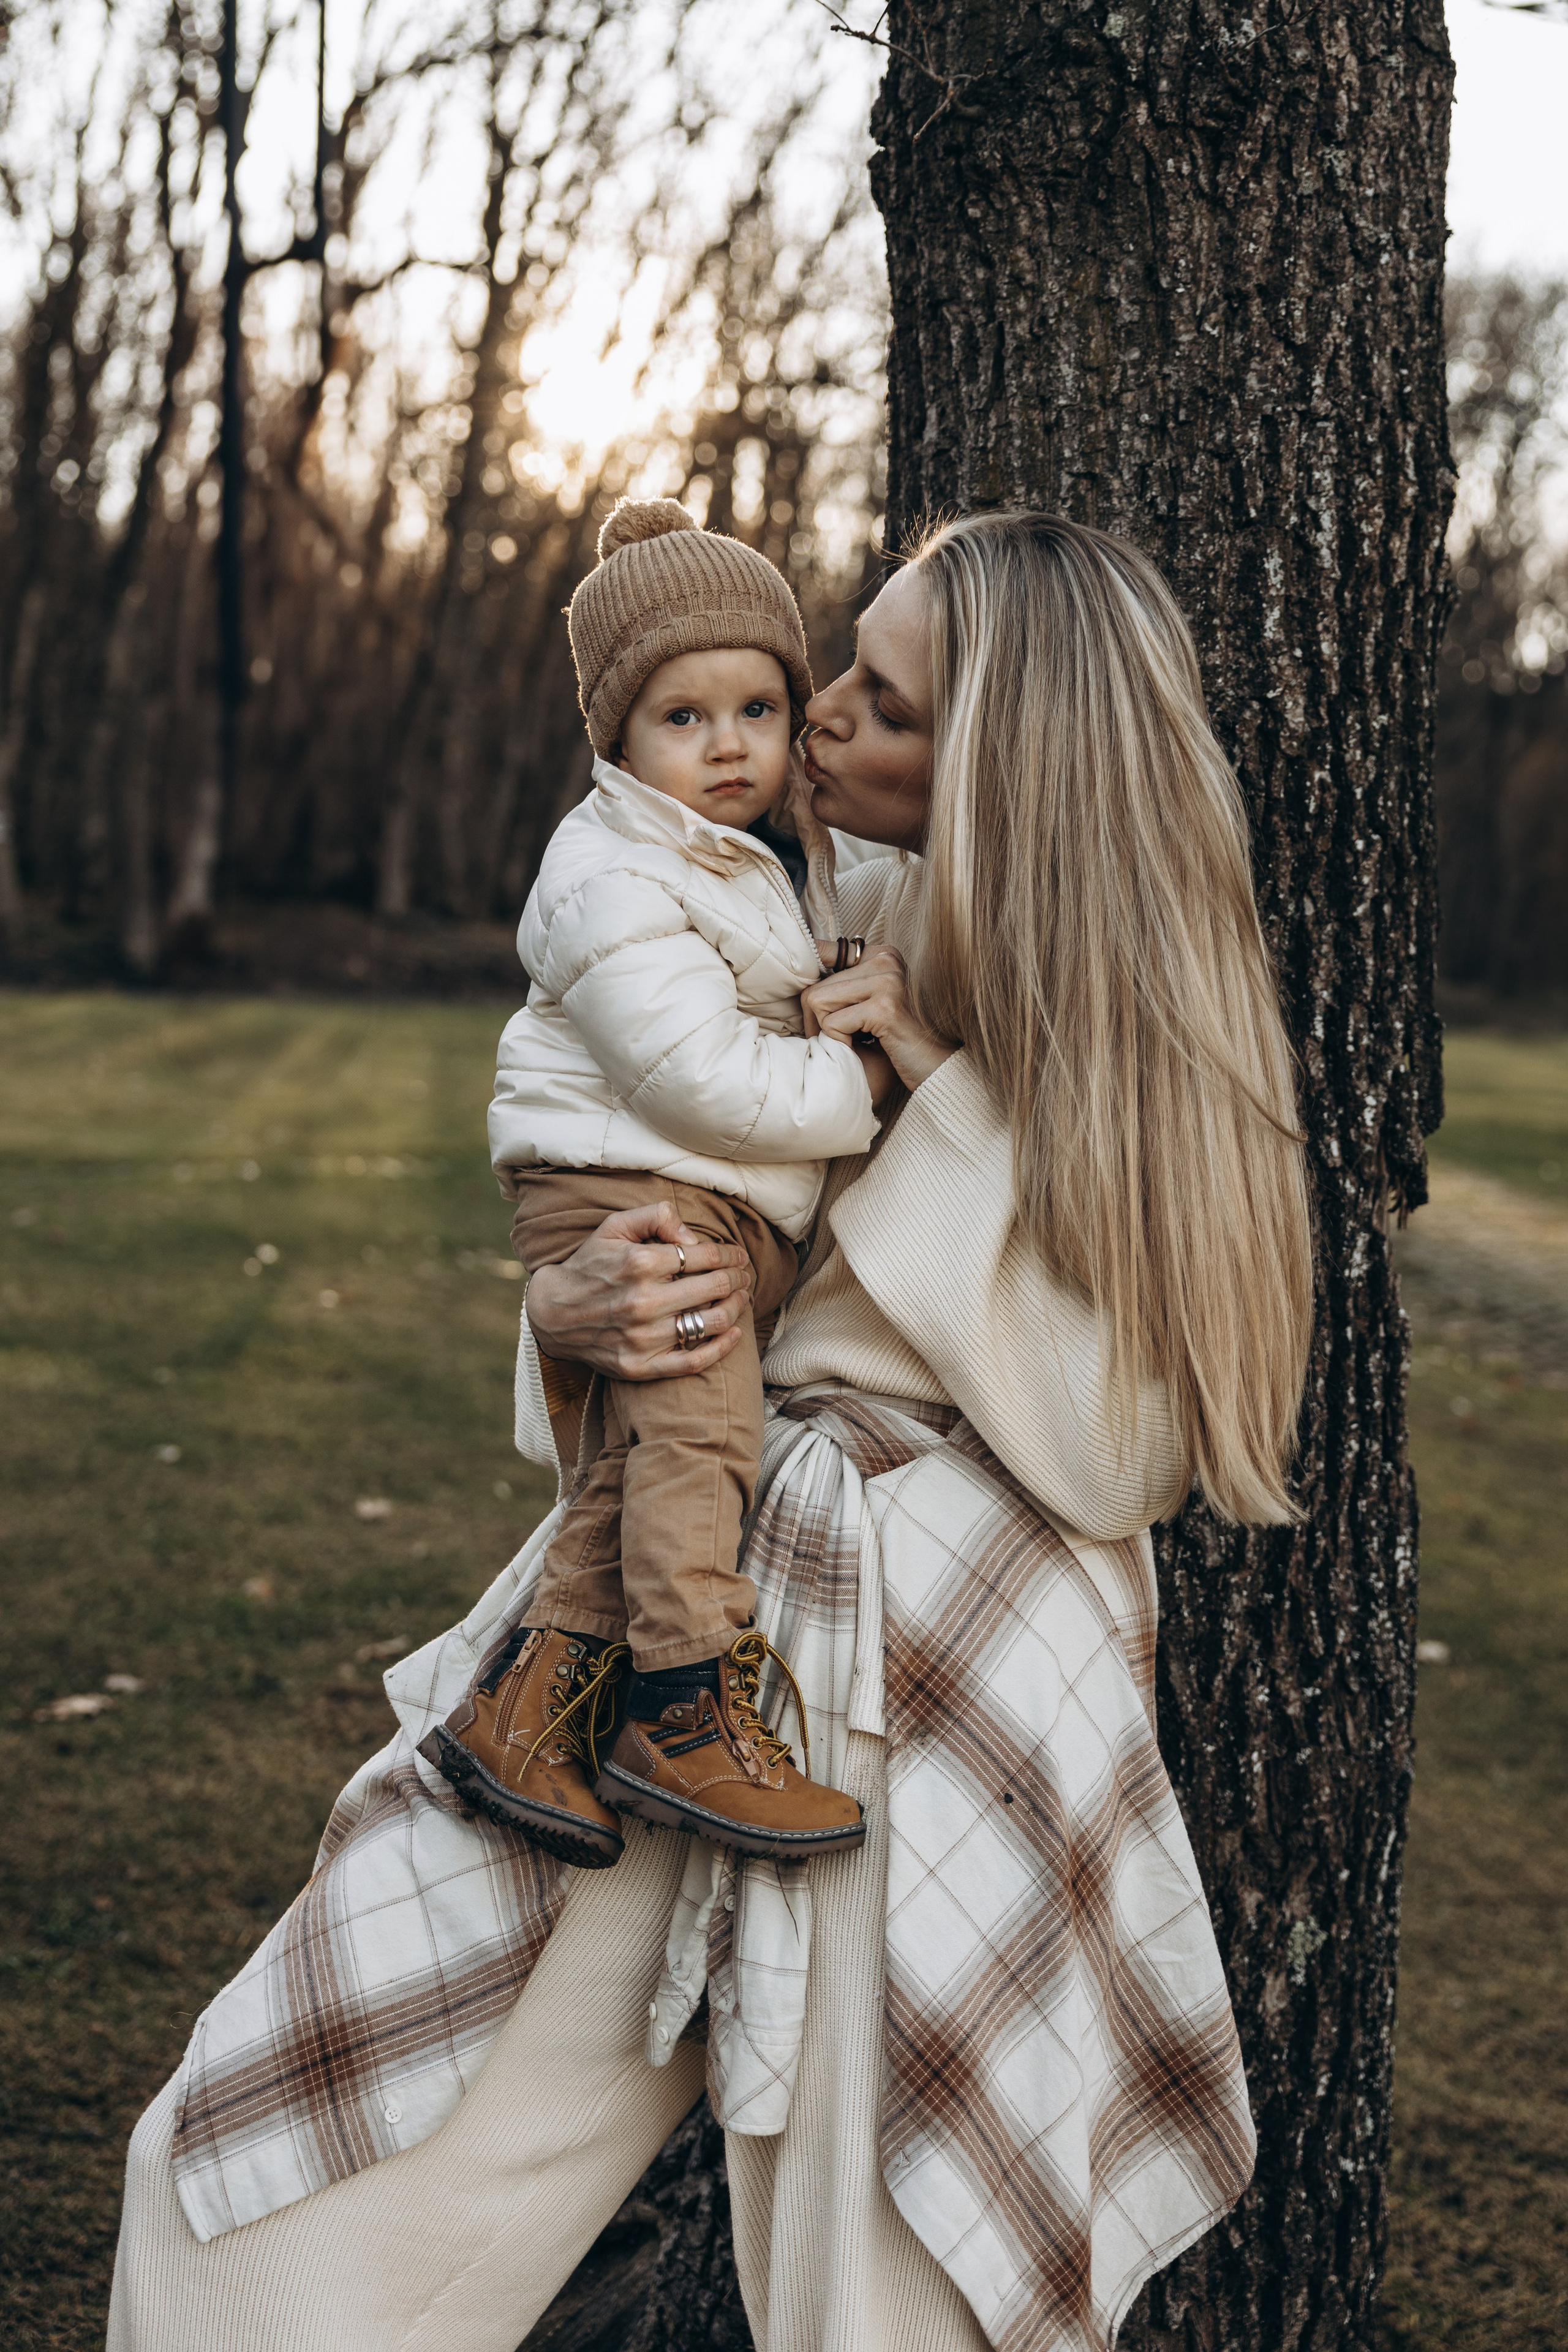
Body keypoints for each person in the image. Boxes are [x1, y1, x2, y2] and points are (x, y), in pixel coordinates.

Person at [108, 511, 1313, 2352]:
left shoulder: (1149, 1029)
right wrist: (570, 1311)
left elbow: (1122, 1451)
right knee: (265, 2162)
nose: (814, 719)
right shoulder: (796, 905)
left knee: (886, 2280)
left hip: (958, 1641)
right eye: (842, 669)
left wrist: (937, 1082)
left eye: (880, 705)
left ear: (996, 768)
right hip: (698, 1575)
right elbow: (676, 1193)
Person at [419, 496, 879, 1870]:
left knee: (644, 1455)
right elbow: (698, 1078)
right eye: (684, 717)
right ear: (615, 738)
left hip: (683, 1181)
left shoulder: (748, 852)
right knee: (701, 1440)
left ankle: (520, 1713)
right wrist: (863, 1079)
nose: (729, 744)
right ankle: (682, 1705)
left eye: (758, 708)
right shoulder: (611, 870)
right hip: (626, 1185)